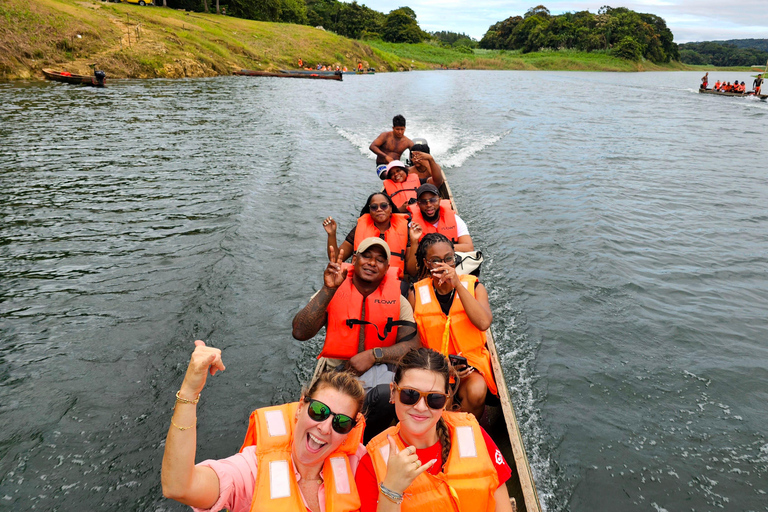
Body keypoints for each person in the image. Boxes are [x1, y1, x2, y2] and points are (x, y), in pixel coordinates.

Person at [161, 340, 367, 512]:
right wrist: (189, 391)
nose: (324, 428)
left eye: (341, 423)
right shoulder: (252, 470)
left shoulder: (358, 462)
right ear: (300, 407)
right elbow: (179, 487)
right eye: (319, 411)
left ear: (348, 432)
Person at [354, 348, 514, 512]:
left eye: (434, 398)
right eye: (410, 395)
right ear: (393, 393)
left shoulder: (472, 434)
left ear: (446, 400)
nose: (421, 407)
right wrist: (391, 490)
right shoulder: (372, 463)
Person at [292, 238, 420, 442]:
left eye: (379, 260)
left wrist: (374, 355)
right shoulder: (332, 290)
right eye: (366, 256)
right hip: (337, 373)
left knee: (387, 396)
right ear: (355, 259)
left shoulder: (399, 301)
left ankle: (366, 445)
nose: (372, 263)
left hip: (379, 374)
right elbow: (300, 332)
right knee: (326, 413)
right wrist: (328, 290)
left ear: (387, 268)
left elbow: (413, 347)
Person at [408, 233, 497, 419]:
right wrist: (441, 366)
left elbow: (483, 323)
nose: (444, 265)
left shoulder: (475, 287)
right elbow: (414, 343)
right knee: (439, 400)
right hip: (434, 366)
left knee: (477, 389)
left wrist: (457, 284)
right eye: (436, 260)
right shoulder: (415, 293)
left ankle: (469, 427)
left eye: (449, 258)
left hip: (469, 366)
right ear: (426, 263)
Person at [323, 192, 412, 276]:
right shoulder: (359, 228)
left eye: (384, 206)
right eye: (374, 207)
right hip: (363, 280)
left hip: (393, 281)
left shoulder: (405, 230)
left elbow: (411, 270)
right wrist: (332, 234)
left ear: (391, 208)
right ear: (369, 210)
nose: (379, 209)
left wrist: (414, 241)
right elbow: (336, 259)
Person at [404, 184, 474, 275]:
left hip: (453, 269)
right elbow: (412, 271)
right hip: (428, 273)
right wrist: (414, 242)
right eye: (424, 202)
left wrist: (436, 250)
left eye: (433, 200)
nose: (429, 205)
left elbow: (469, 247)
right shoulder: (412, 227)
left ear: (439, 200)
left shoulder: (455, 219)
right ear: (418, 204)